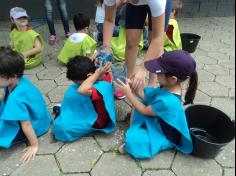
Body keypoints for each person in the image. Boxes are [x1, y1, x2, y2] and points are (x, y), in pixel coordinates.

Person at [115, 50, 197, 159]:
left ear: (173, 79)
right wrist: (134, 89)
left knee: (134, 140)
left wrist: (128, 93)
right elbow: (149, 99)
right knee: (139, 102)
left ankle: (142, 141)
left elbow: (144, 109)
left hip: (165, 135)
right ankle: (137, 128)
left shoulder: (167, 102)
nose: (155, 74)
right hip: (158, 118)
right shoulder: (169, 87)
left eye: (159, 72)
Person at [103, 0, 173, 97]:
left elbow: (158, 39)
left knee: (154, 40)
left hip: (155, 4)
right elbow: (109, 20)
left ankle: (151, 87)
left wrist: (143, 68)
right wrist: (105, 49)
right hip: (136, 5)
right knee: (131, 43)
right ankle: (130, 83)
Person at [0, 47, 51, 163]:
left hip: (34, 126)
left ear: (12, 75)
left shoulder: (15, 98)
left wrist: (34, 145)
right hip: (41, 117)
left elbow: (26, 124)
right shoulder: (20, 80)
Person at [52, 56, 116, 142]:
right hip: (88, 108)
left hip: (97, 121)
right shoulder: (104, 75)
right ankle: (65, 111)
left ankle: (62, 112)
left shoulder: (97, 89)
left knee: (60, 129)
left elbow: (81, 90)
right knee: (73, 90)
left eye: (76, 81)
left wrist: (96, 74)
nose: (75, 83)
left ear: (90, 76)